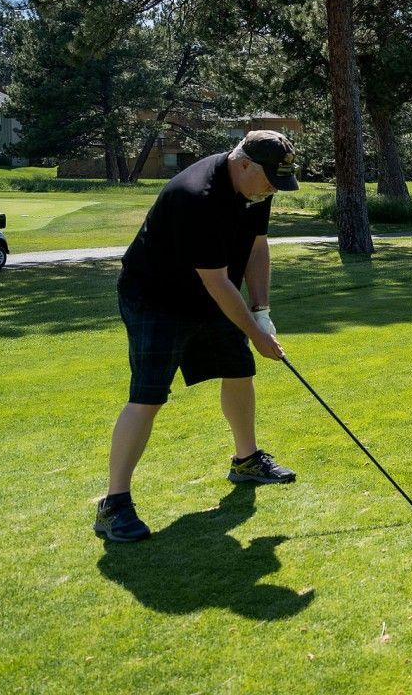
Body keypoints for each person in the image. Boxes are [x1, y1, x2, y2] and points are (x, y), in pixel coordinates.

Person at [95, 131, 301, 543]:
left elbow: (258, 247)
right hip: (156, 297)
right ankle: (113, 503)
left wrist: (262, 313)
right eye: (269, 182)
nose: (271, 191)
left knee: (239, 370)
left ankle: (246, 461)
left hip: (208, 291)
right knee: (148, 395)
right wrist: (255, 336)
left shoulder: (258, 187)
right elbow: (218, 283)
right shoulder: (198, 196)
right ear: (244, 164)